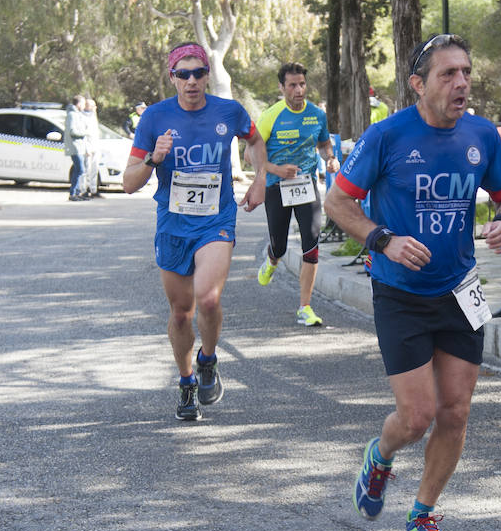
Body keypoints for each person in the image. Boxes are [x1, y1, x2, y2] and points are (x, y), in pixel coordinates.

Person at [324, 33, 501, 531]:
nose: (461, 83)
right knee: (417, 417)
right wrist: (381, 239)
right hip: (401, 295)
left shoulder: (482, 135)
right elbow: (338, 201)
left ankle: (423, 514)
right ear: (418, 84)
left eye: (466, 73)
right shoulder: (387, 136)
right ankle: (381, 454)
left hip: (459, 291)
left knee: (455, 412)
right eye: (447, 74)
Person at [123, 42, 267, 422]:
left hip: (215, 220)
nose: (191, 81)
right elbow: (128, 183)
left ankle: (208, 359)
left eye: (198, 73)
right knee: (181, 312)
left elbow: (254, 139)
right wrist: (154, 158)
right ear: (172, 78)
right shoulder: (154, 118)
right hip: (173, 224)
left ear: (206, 75)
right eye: (183, 74)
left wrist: (260, 180)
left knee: (207, 298)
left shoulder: (229, 111)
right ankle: (187, 381)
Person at [255, 62, 338, 326]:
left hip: (306, 186)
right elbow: (251, 154)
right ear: (282, 87)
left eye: (302, 84)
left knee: (311, 245)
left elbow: (324, 143)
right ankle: (271, 258)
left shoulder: (316, 114)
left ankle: (305, 307)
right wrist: (277, 169)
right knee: (279, 245)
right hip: (276, 187)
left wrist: (330, 158)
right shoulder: (270, 115)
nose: (298, 89)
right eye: (292, 85)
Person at [63, 95, 88, 201]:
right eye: (83, 103)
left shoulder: (78, 115)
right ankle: (72, 193)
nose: (84, 106)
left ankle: (77, 193)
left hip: (80, 147)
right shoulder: (72, 115)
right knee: (80, 169)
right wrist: (84, 133)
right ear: (78, 104)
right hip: (75, 147)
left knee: (79, 169)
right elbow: (72, 131)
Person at [83, 97, 102, 198]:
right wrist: (86, 148)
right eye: (92, 105)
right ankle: (85, 189)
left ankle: (94, 189)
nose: (94, 107)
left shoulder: (93, 116)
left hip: (96, 145)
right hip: (88, 146)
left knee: (95, 169)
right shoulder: (83, 116)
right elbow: (84, 134)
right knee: (87, 169)